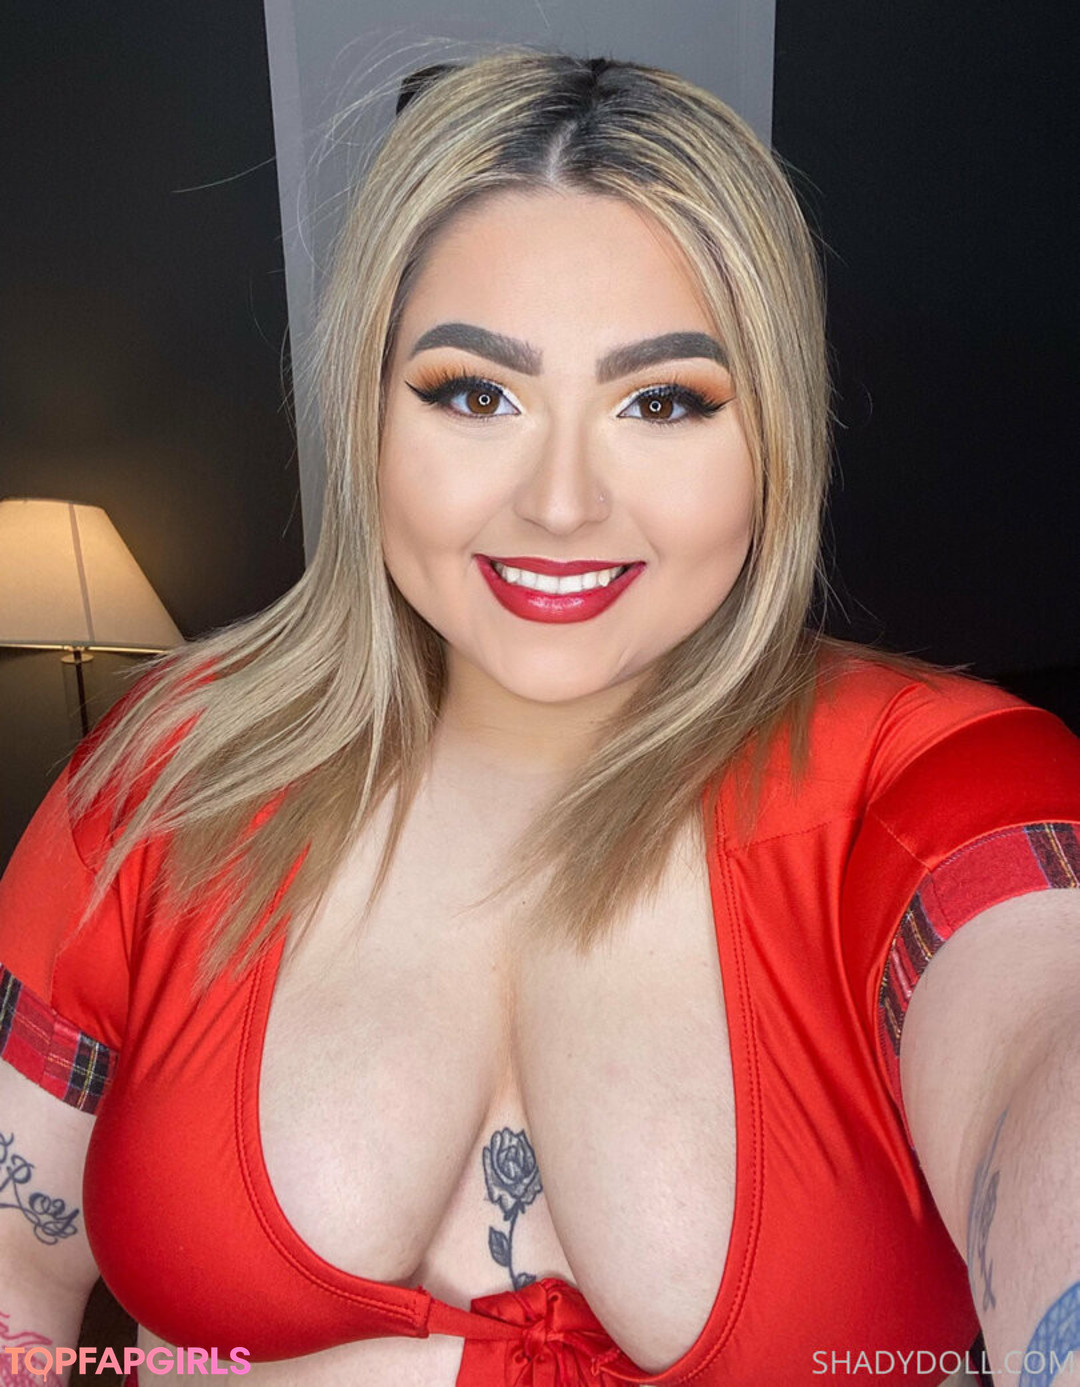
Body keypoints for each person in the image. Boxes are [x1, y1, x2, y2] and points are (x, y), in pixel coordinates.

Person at [1, 49, 1079, 1387]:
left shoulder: (947, 790)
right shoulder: (171, 774)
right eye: (475, 393)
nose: (561, 504)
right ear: (365, 411)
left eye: (663, 402)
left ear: (777, 438)